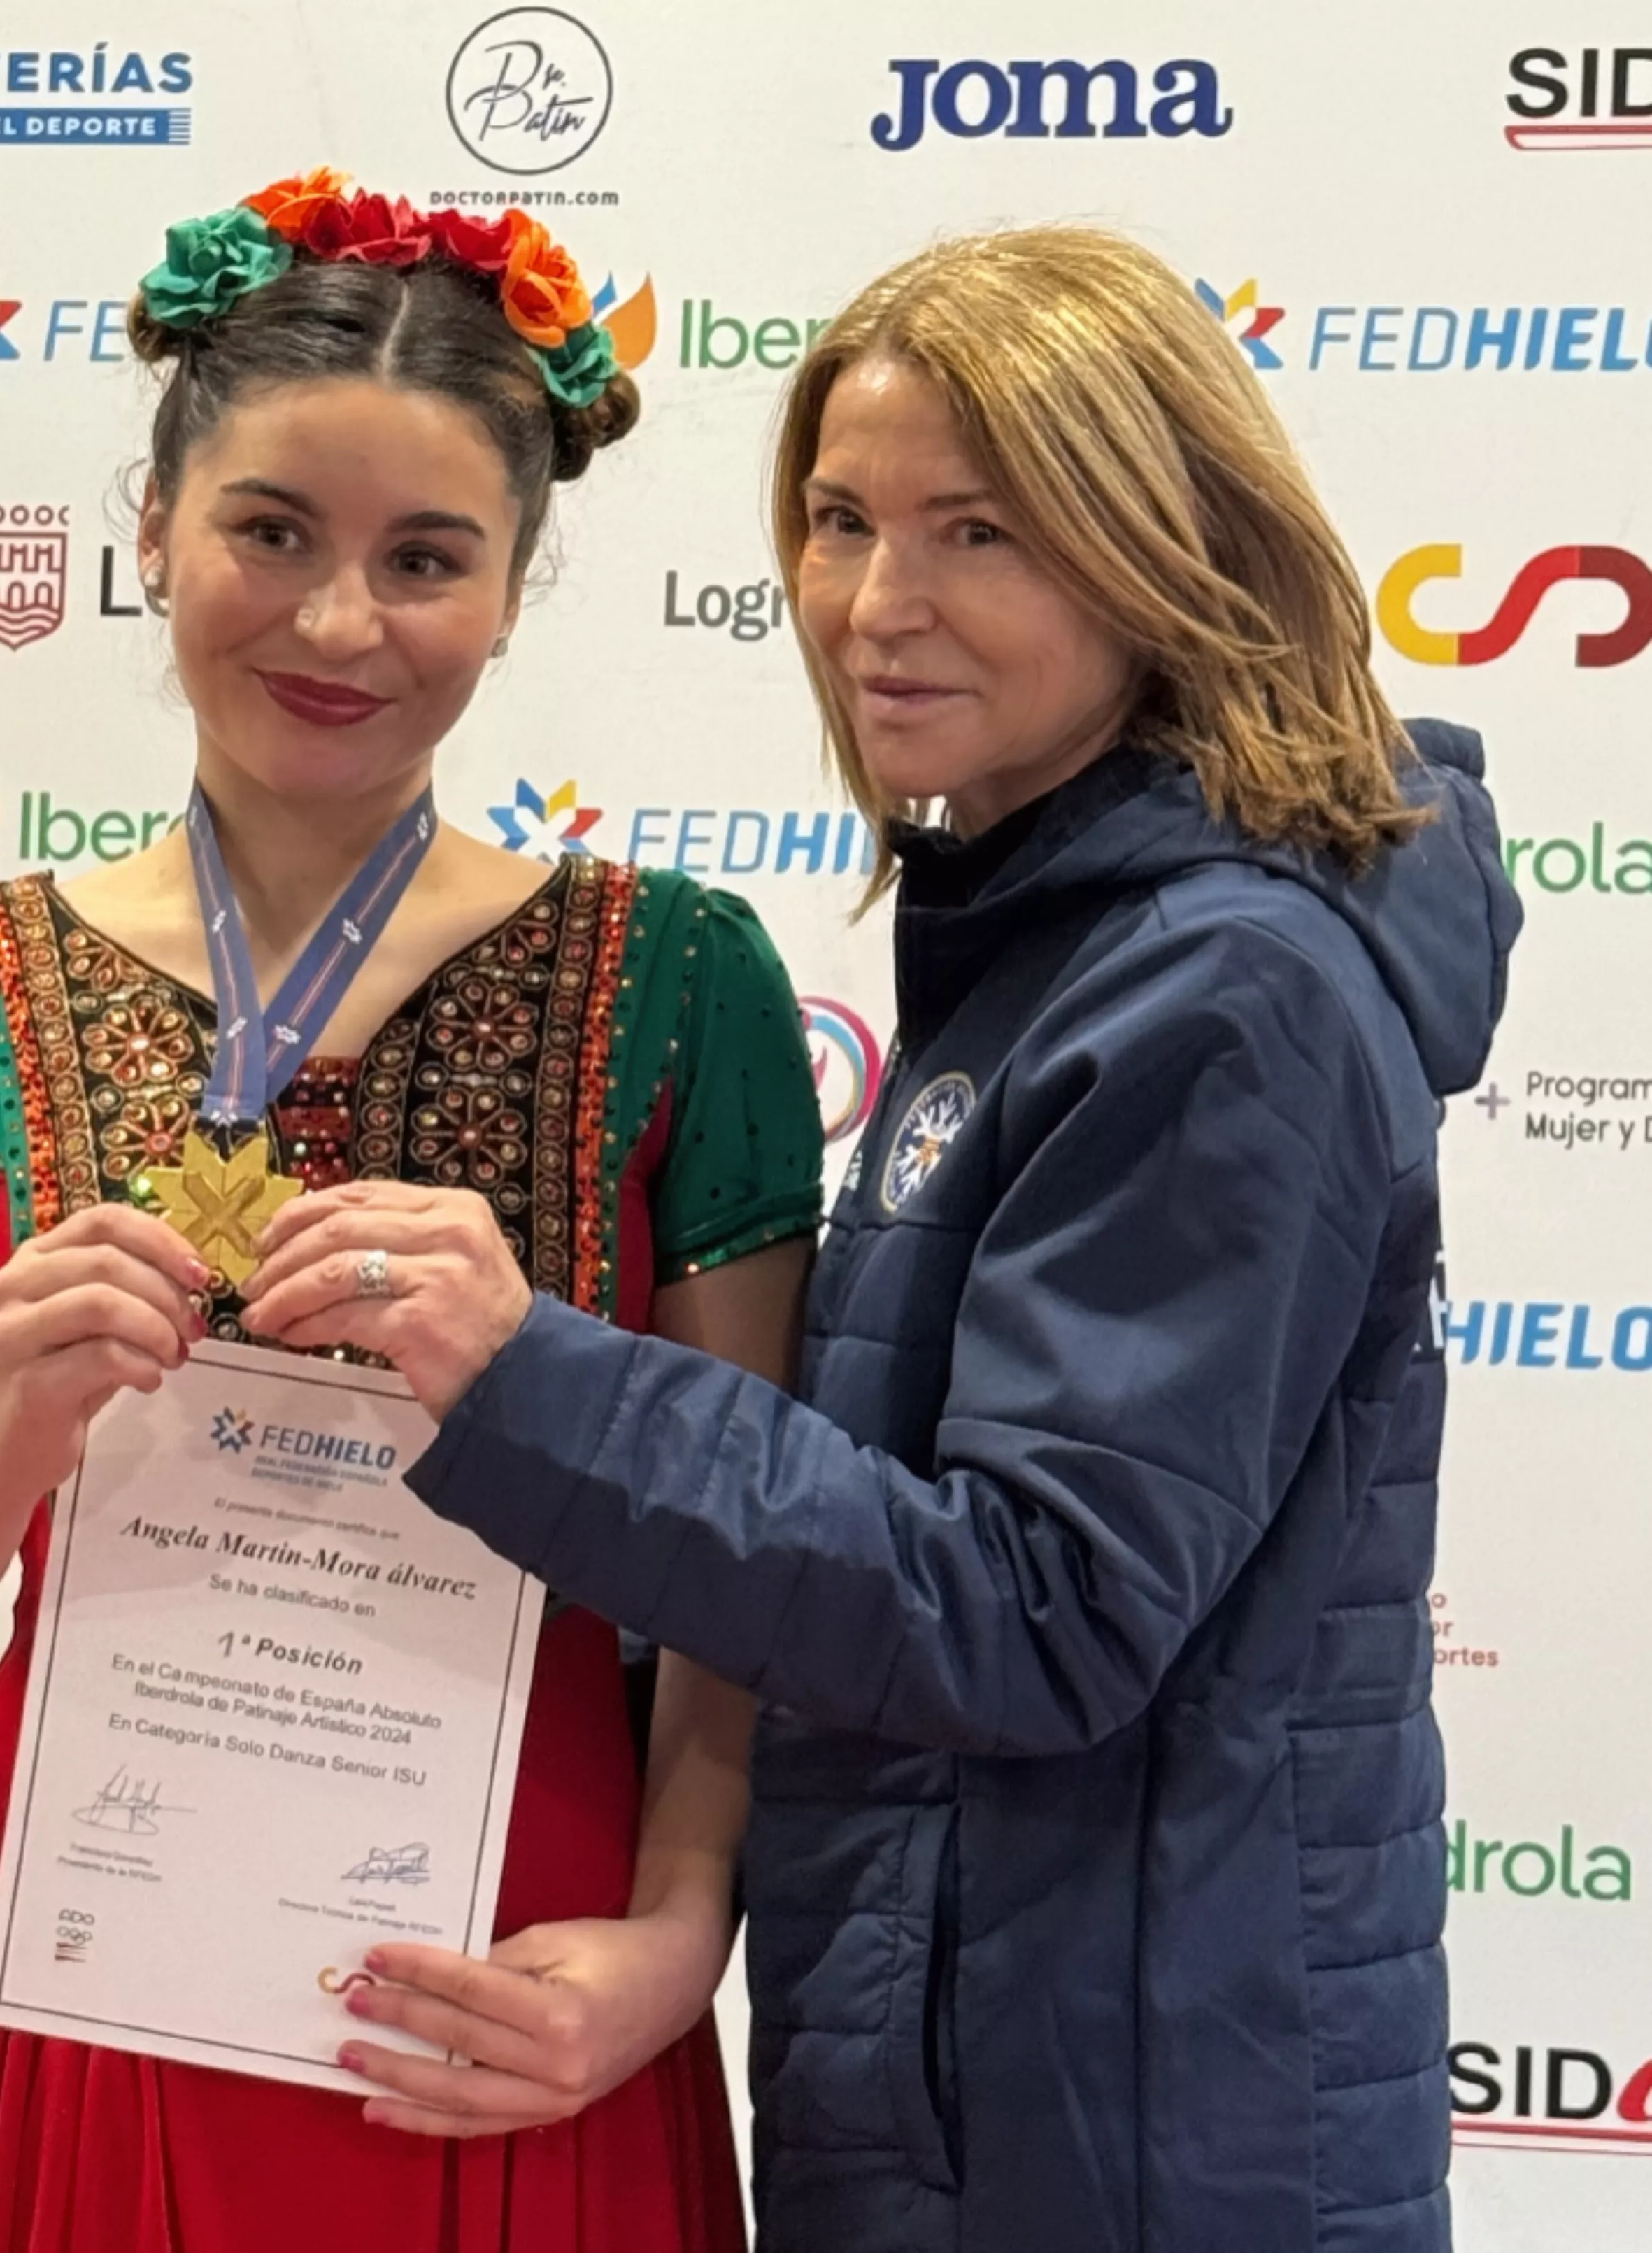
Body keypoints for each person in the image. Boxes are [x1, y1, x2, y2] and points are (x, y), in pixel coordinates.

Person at [236, 226, 1523, 2253]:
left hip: (1124, 2138)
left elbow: (1032, 1609)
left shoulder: (1222, 990)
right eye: (838, 519)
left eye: (977, 532)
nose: (874, 605)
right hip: (990, 2081)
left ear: (1156, 551)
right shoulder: (1058, 941)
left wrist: (529, 1374)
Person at [0, 169, 823, 2253]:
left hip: (505, 1992)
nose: (340, 622)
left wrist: (674, 1937)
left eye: (425, 558)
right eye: (270, 532)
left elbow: (749, 1563)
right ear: (150, 528)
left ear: (513, 587)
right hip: (58, 1975)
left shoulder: (683, 982)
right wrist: (6, 1431)